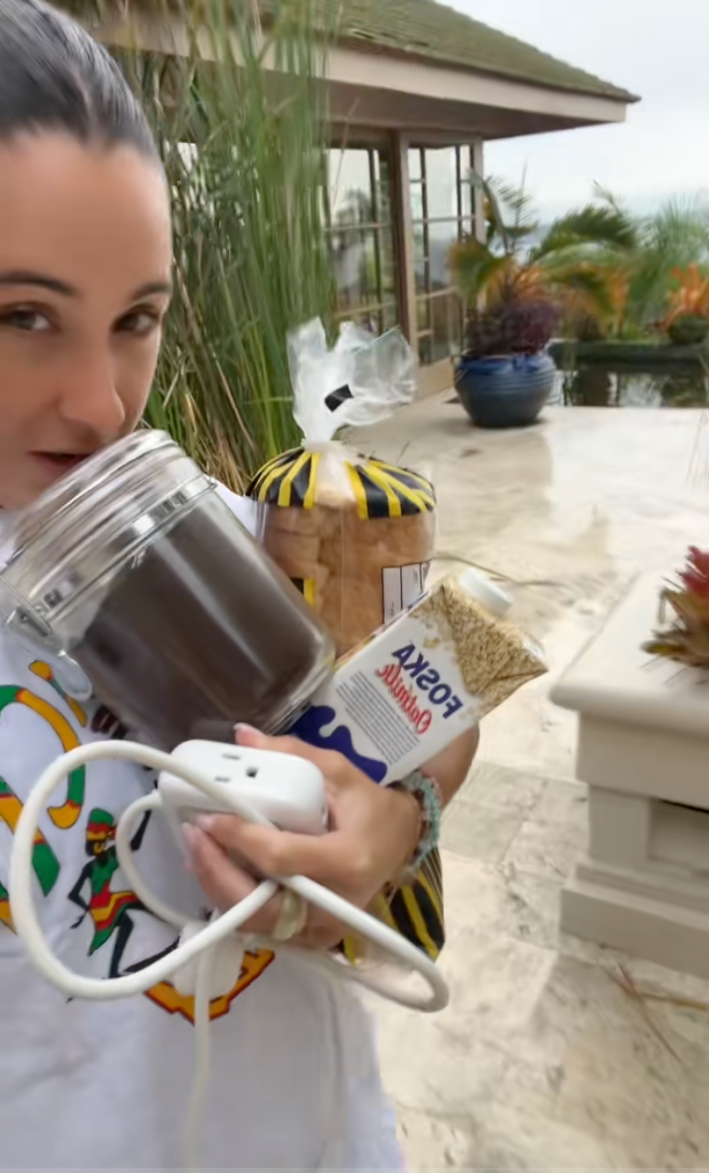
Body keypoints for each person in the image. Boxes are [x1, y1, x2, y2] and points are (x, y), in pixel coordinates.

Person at [0, 1, 478, 1168]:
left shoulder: (234, 539)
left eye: (137, 320)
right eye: (23, 316)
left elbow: (447, 693)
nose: (104, 403)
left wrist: (390, 820)